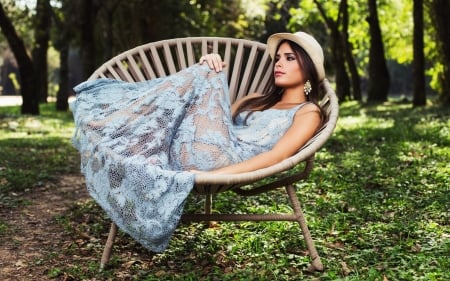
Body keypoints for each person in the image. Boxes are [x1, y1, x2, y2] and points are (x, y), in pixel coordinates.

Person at [70, 31, 326, 253]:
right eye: (278, 58)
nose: (279, 64)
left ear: (308, 68)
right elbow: (215, 118)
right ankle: (124, 141)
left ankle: (108, 124)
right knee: (209, 71)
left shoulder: (307, 112)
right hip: (199, 149)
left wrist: (215, 175)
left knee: (210, 73)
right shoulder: (255, 100)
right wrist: (207, 68)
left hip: (223, 162)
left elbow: (277, 156)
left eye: (290, 58)